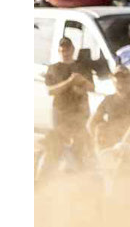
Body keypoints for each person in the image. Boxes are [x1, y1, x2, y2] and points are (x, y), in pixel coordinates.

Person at [39, 36, 101, 175]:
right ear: (59, 51)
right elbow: (50, 91)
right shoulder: (54, 68)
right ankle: (53, 173)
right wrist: (70, 82)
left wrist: (81, 80)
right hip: (61, 111)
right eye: (63, 50)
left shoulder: (81, 66)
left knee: (80, 141)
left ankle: (77, 172)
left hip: (80, 110)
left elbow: (92, 87)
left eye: (67, 50)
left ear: (72, 50)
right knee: (58, 143)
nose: (65, 53)